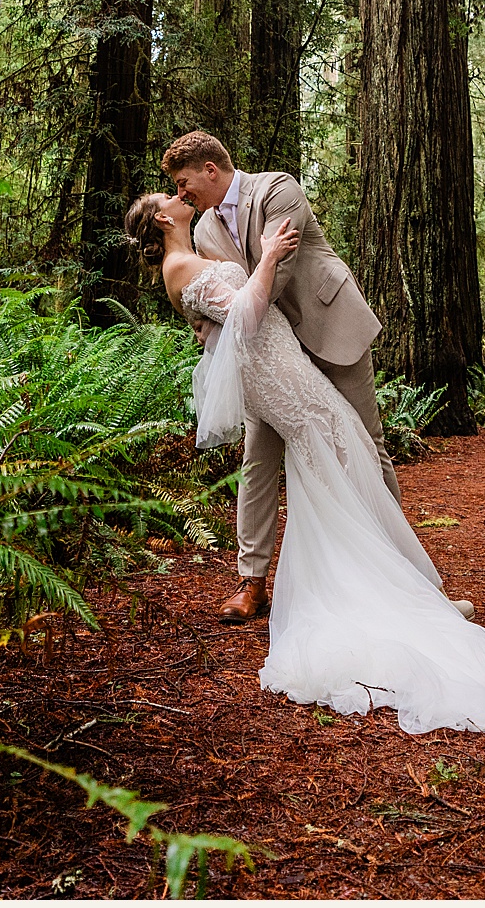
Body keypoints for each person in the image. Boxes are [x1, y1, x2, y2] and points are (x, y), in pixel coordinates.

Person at [124, 189, 485, 734]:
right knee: (336, 453)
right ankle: (377, 595)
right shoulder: (184, 258)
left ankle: (402, 585)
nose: (179, 194)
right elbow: (245, 314)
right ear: (164, 218)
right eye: (169, 195)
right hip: (278, 376)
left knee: (339, 459)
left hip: (284, 364)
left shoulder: (221, 228)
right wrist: (266, 258)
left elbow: (222, 322)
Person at [159, 130, 393, 623]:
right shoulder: (201, 231)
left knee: (365, 443)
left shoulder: (277, 189)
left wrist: (230, 313)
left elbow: (276, 271)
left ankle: (396, 566)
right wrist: (203, 319)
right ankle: (252, 581)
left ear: (210, 169)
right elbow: (215, 289)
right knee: (257, 460)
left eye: (185, 182)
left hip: (329, 326)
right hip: (270, 356)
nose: (182, 194)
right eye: (176, 189)